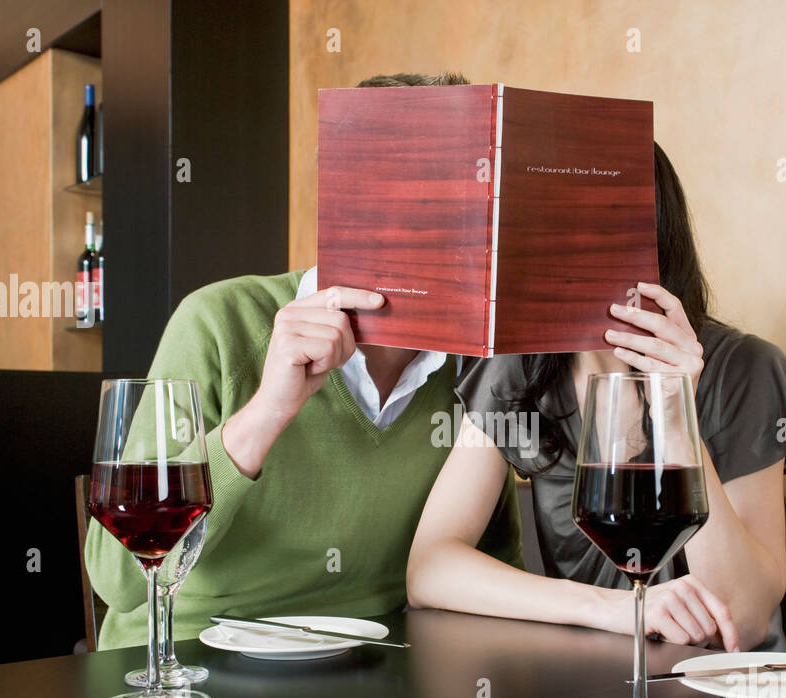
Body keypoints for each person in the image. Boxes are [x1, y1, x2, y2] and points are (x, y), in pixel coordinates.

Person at [85, 72, 523, 651]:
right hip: (190, 664)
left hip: (380, 666)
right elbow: (118, 579)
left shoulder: (476, 362)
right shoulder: (219, 320)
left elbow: (489, 566)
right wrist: (268, 410)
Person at [406, 144, 786, 652]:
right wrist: (613, 610)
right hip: (591, 685)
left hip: (726, 694)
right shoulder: (519, 370)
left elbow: (743, 619)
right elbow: (430, 570)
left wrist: (675, 410)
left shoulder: (747, 369)